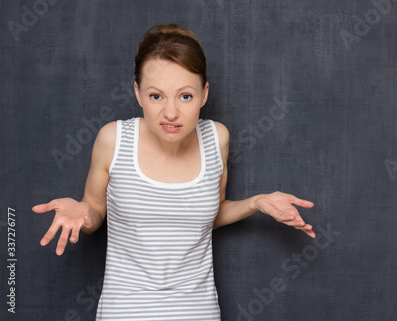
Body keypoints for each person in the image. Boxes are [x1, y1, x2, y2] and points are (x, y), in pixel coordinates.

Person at [32, 24, 315, 320]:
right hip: (126, 312)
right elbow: (93, 212)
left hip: (198, 312)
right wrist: (83, 211)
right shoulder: (113, 139)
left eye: (185, 96)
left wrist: (257, 203)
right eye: (156, 96)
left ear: (204, 94)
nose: (170, 113)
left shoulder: (216, 138)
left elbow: (210, 214)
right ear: (138, 93)